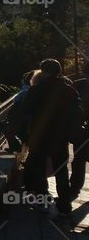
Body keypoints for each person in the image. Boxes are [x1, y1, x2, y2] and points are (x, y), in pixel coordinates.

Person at [22, 58, 80, 215]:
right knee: (61, 171)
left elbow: (25, 111)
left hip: (39, 135)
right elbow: (76, 114)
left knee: (38, 167)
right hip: (61, 137)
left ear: (44, 72)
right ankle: (64, 205)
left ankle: (42, 200)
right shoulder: (69, 91)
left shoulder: (35, 90)